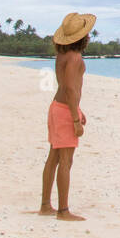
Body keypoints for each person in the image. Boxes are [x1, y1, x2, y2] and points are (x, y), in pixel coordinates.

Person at [38, 12, 95, 221]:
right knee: (65, 160)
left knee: (53, 157)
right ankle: (63, 211)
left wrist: (79, 110)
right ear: (82, 38)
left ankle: (45, 205)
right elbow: (71, 89)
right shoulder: (75, 58)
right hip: (64, 111)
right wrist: (74, 118)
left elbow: (66, 87)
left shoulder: (62, 56)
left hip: (57, 107)